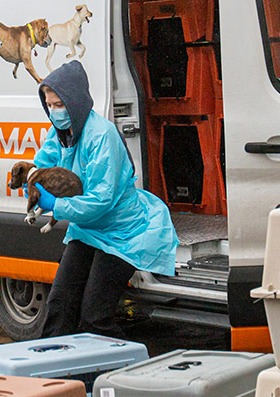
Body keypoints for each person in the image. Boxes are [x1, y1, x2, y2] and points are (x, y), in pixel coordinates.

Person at [30, 61, 178, 339]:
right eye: (49, 105)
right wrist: (34, 181)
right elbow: (44, 163)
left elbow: (100, 200)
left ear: (75, 101)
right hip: (87, 229)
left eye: (59, 104)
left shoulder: (101, 135)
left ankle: (123, 375)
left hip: (123, 232)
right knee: (59, 305)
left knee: (95, 316)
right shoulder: (61, 132)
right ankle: (54, 373)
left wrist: (56, 205)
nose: (54, 111)